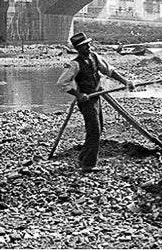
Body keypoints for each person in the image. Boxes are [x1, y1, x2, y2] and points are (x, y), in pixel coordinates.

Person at [56, 32, 136, 172]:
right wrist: (78, 94)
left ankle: (82, 157)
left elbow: (109, 71)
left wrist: (125, 81)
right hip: (86, 100)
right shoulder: (73, 64)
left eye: (88, 44)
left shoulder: (95, 57)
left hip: (96, 97)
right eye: (85, 46)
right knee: (94, 130)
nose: (89, 47)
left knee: (97, 128)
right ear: (78, 49)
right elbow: (62, 83)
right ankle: (88, 164)